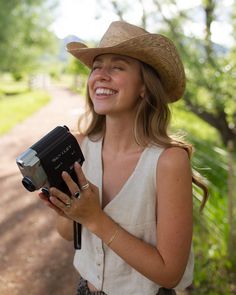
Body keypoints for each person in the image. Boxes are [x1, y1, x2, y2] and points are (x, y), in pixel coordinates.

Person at [39, 21, 208, 295]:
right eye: (96, 67)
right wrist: (69, 210)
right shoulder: (80, 146)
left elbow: (170, 274)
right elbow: (68, 233)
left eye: (117, 67)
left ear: (145, 87)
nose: (101, 75)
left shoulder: (168, 161)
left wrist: (94, 218)